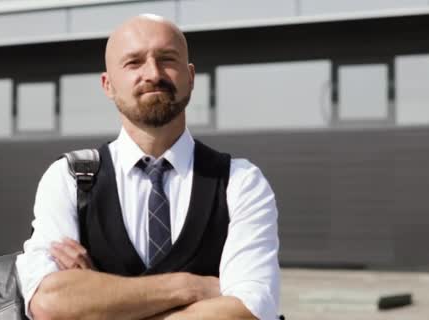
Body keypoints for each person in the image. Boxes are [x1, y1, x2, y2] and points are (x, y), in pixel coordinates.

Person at [16, 14, 280, 320]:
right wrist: (189, 287)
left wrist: (97, 303)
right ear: (108, 84)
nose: (153, 73)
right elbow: (50, 302)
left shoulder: (240, 181)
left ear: (190, 77)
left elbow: (249, 311)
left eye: (167, 59)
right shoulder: (70, 179)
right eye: (133, 62)